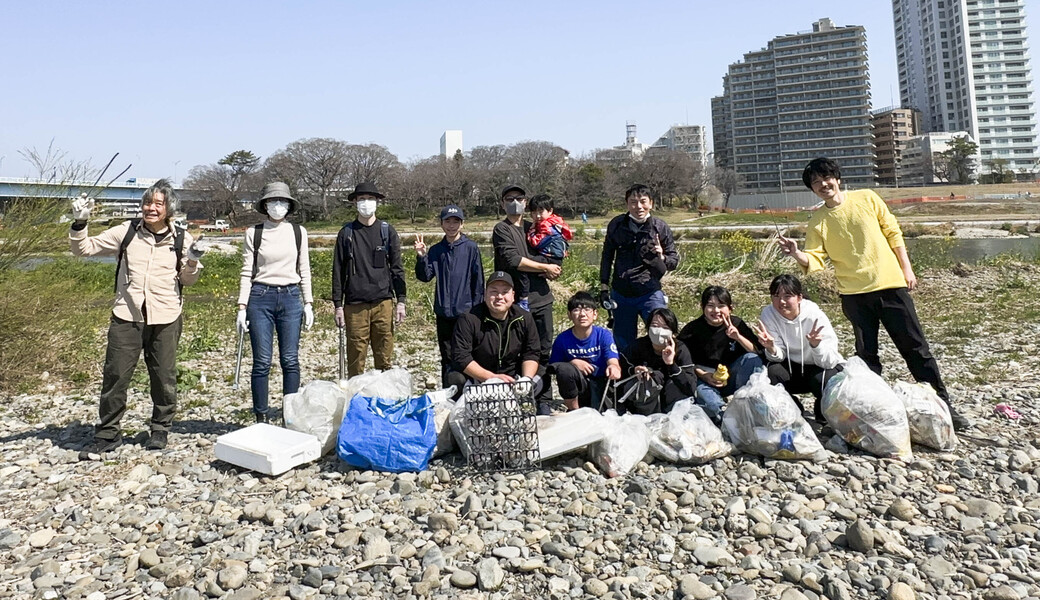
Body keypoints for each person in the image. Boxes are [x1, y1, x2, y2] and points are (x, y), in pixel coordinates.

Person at [777, 157, 970, 430]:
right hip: (853, 296)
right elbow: (815, 259)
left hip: (890, 286)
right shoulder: (818, 221)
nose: (823, 185)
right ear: (812, 189)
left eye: (826, 178)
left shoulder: (867, 198)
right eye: (816, 182)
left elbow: (893, 232)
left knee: (916, 348)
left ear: (838, 178)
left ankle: (944, 405)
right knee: (867, 355)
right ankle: (874, 409)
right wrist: (796, 253)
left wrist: (907, 268)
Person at [69, 180, 206, 458]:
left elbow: (188, 281)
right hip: (126, 315)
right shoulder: (127, 232)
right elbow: (83, 249)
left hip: (166, 316)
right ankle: (108, 434)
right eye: (148, 202)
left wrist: (192, 260)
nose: (151, 208)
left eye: (158, 204)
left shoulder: (181, 238)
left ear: (169, 209)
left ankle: (160, 429)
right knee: (116, 375)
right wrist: (80, 222)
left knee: (163, 376)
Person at [236, 182, 313, 423]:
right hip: (260, 298)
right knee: (261, 361)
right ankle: (261, 416)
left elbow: (304, 269)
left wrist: (308, 302)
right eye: (273, 202)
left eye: (282, 202)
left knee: (289, 359)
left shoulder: (298, 232)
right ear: (265, 205)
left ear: (289, 205)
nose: (277, 206)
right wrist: (241, 307)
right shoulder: (254, 233)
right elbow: (247, 271)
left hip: (291, 298)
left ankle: (289, 414)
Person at [492, 184, 560, 414]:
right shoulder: (501, 229)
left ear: (526, 201)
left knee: (543, 349)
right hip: (516, 301)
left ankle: (544, 399)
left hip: (540, 298)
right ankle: (517, 398)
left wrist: (553, 266)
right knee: (518, 350)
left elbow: (553, 253)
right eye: (509, 198)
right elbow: (514, 260)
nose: (514, 202)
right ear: (502, 203)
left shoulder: (535, 228)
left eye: (519, 198)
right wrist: (543, 266)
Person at [332, 182, 407, 377]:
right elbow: (338, 271)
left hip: (383, 302)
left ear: (377, 202)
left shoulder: (387, 231)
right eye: (362, 199)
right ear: (355, 202)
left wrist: (401, 301)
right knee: (356, 356)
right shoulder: (346, 233)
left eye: (371, 199)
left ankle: (383, 398)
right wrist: (338, 305)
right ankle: (357, 397)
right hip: (355, 305)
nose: (366, 203)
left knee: (384, 354)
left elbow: (397, 268)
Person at [599, 183, 679, 354]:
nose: (639, 207)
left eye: (643, 201)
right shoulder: (616, 224)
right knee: (623, 343)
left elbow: (673, 261)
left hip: (649, 291)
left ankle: (666, 370)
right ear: (627, 204)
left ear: (651, 203)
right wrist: (603, 286)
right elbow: (607, 256)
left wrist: (662, 256)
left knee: (661, 334)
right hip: (621, 292)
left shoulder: (660, 227)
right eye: (633, 202)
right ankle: (628, 374)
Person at [754, 274, 843, 422]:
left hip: (817, 366)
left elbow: (830, 361)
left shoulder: (814, 315)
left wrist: (816, 345)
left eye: (787, 296)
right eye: (776, 296)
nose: (781, 302)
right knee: (771, 372)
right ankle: (792, 409)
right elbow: (779, 356)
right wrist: (771, 347)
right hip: (791, 367)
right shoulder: (768, 314)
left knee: (828, 380)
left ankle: (823, 411)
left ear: (799, 298)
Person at [414, 204, 485, 388]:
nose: (451, 225)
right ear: (441, 224)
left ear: (462, 224)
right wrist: (422, 256)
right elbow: (425, 276)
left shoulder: (470, 248)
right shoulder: (437, 250)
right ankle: (449, 395)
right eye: (448, 221)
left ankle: (471, 392)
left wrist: (478, 311)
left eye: (456, 222)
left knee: (468, 355)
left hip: (466, 313)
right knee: (447, 357)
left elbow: (478, 282)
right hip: (443, 313)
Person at [446, 271, 542, 401]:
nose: (499, 297)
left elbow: (531, 352)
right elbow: (461, 357)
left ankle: (530, 402)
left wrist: (526, 379)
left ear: (513, 295)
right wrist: (491, 378)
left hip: (512, 378)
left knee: (541, 375)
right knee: (454, 378)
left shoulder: (524, 317)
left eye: (505, 292)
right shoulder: (469, 318)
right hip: (479, 377)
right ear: (485, 294)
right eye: (494, 292)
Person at [677, 286, 764, 424]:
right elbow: (682, 362)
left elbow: (756, 352)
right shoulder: (692, 330)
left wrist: (738, 337)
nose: (716, 311)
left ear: (730, 308)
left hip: (734, 375)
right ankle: (725, 420)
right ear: (702, 307)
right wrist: (703, 374)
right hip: (706, 378)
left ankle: (751, 402)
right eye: (710, 306)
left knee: (752, 359)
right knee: (711, 406)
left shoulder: (737, 324)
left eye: (721, 306)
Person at [549, 292, 622, 411]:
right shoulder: (562, 339)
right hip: (578, 385)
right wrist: (573, 363)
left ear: (595, 314)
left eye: (587, 309)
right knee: (564, 370)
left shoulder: (603, 335)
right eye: (577, 310)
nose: (582, 314)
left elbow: (613, 360)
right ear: (569, 315)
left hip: (601, 382)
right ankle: (574, 411)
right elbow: (554, 366)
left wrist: (613, 367)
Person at [622, 308, 697, 415]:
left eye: (665, 327)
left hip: (672, 404)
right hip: (644, 404)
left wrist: (671, 364)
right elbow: (621, 369)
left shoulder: (680, 349)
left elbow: (690, 387)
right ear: (648, 328)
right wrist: (635, 370)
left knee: (674, 383)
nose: (659, 331)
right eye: (655, 326)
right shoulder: (638, 346)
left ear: (673, 332)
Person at [527, 193, 573, 262]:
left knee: (527, 263)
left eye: (541, 212)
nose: (538, 216)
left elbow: (536, 243)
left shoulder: (547, 225)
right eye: (534, 213)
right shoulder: (555, 221)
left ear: (550, 211)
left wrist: (531, 231)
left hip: (551, 257)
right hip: (554, 256)